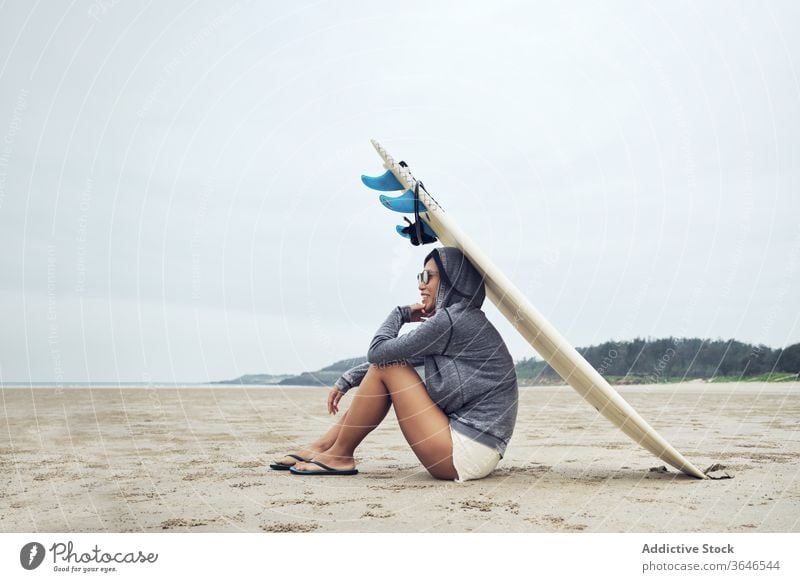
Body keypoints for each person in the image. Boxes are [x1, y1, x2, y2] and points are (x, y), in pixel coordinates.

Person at [270, 246, 518, 482]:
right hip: (480, 450)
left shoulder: (451, 321)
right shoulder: (460, 319)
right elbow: (407, 357)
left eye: (427, 276)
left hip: (465, 452)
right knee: (388, 367)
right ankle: (324, 447)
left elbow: (378, 353)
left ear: (451, 279)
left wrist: (399, 314)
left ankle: (339, 455)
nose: (420, 285)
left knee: (386, 366)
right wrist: (349, 379)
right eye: (419, 276)